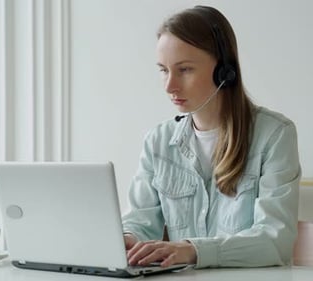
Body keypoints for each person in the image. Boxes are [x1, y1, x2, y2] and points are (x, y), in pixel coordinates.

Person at [122, 5, 301, 269]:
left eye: (184, 70)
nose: (169, 86)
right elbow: (140, 221)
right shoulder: (157, 142)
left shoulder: (274, 135)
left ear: (224, 71)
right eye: (163, 70)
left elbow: (274, 239)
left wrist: (193, 250)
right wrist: (126, 240)